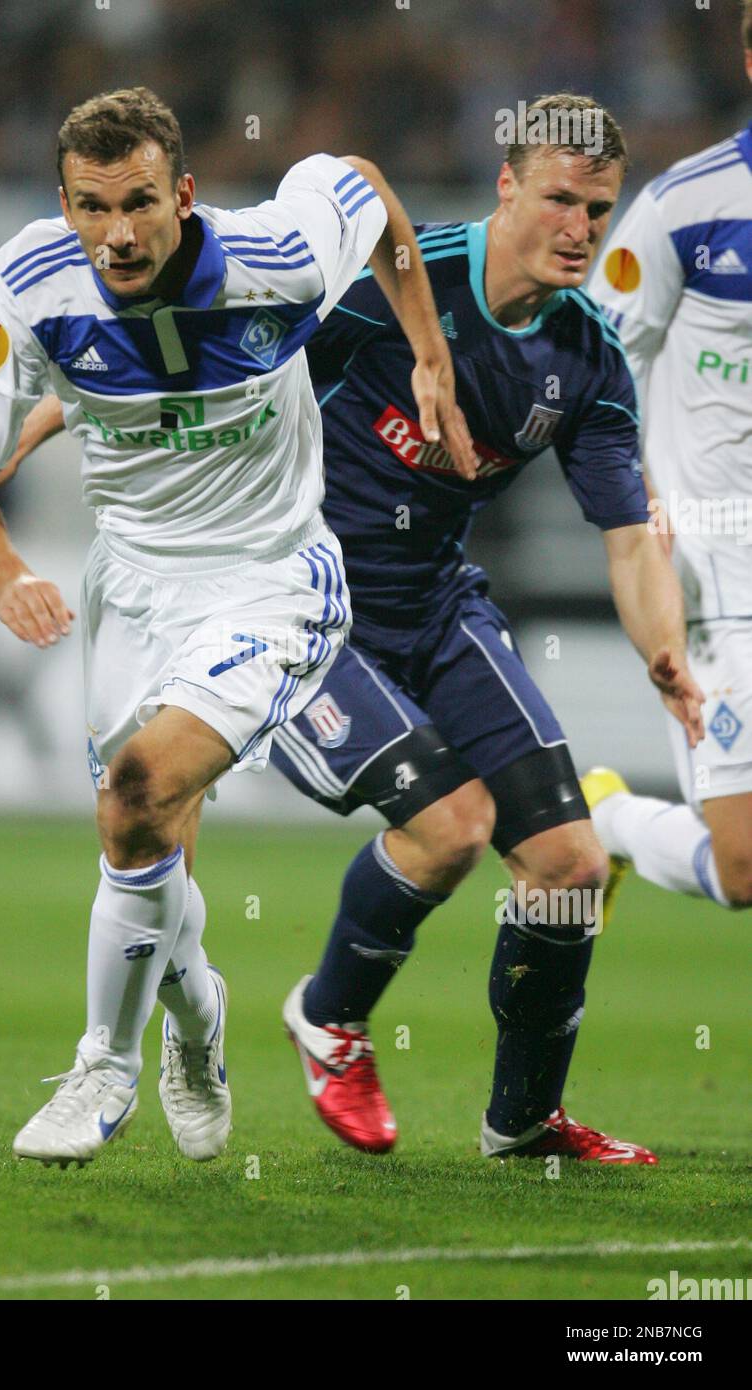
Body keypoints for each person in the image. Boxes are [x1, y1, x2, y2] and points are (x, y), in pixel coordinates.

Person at [0, 86, 473, 1167]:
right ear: (64, 204)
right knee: (141, 836)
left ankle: (105, 1066)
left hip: (270, 581)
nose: (117, 234)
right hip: (131, 591)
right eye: (91, 207)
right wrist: (4, 576)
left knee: (138, 791)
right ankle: (198, 1019)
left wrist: (430, 353)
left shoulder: (282, 251)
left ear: (183, 192)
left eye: (137, 204)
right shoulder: (25, 285)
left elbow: (363, 187)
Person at [266, 93, 705, 1164]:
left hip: (436, 604)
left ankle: (523, 1119)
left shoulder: (588, 358)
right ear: (506, 186)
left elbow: (628, 536)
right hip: (305, 610)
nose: (580, 228)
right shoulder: (397, 287)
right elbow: (250, 364)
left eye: (599, 210)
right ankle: (331, 1016)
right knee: (453, 827)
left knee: (567, 863)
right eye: (559, 198)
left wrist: (667, 655)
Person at [585, 6, 752, 914]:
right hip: (720, 564)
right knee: (745, 872)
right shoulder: (684, 208)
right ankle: (605, 818)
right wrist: (642, 515)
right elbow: (606, 370)